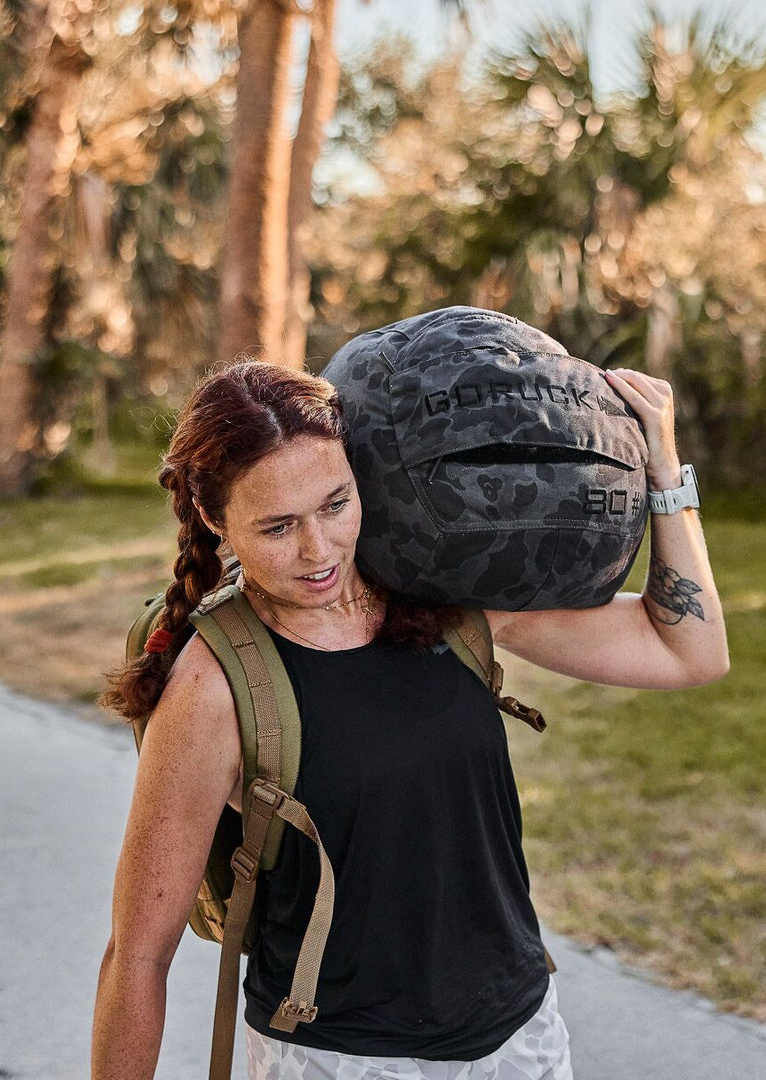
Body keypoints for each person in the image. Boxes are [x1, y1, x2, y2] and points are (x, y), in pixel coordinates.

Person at [91, 358, 728, 1080]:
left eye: (336, 504)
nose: (318, 550)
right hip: (339, 1057)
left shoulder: (448, 603)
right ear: (214, 518)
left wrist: (667, 476)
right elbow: (139, 954)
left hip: (518, 1037)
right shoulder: (215, 689)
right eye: (277, 526)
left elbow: (689, 651)